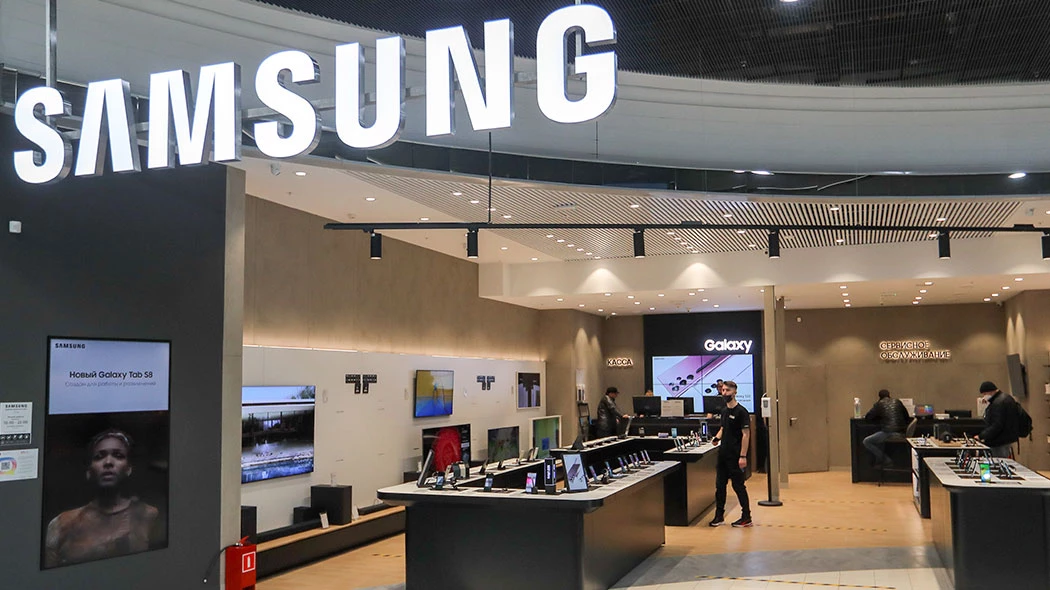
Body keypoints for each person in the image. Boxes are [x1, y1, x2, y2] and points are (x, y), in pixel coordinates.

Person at [44, 429, 161, 568]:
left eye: (118, 455)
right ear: (89, 471)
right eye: (99, 456)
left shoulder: (149, 516)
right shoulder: (62, 523)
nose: (108, 462)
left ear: (128, 468)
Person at [709, 380, 752, 528]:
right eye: (723, 390)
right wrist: (716, 438)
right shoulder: (724, 411)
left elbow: (746, 434)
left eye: (728, 390)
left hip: (735, 455)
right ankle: (719, 516)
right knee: (720, 486)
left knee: (738, 486)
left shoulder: (741, 412)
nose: (724, 393)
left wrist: (743, 456)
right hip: (723, 454)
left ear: (735, 392)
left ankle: (746, 516)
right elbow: (723, 427)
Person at [862, 389, 909, 467]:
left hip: (888, 432)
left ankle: (886, 460)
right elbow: (906, 417)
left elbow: (868, 417)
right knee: (879, 439)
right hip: (902, 432)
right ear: (889, 395)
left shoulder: (879, 404)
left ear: (879, 397)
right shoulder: (898, 402)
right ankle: (881, 462)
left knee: (866, 441)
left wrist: (879, 417)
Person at [974, 381, 1020, 458]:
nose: (984, 396)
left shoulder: (998, 403)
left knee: (997, 461)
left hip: (998, 441)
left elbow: (997, 425)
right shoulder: (1007, 398)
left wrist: (981, 436)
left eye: (984, 394)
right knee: (1004, 460)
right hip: (1007, 439)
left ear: (990, 391)